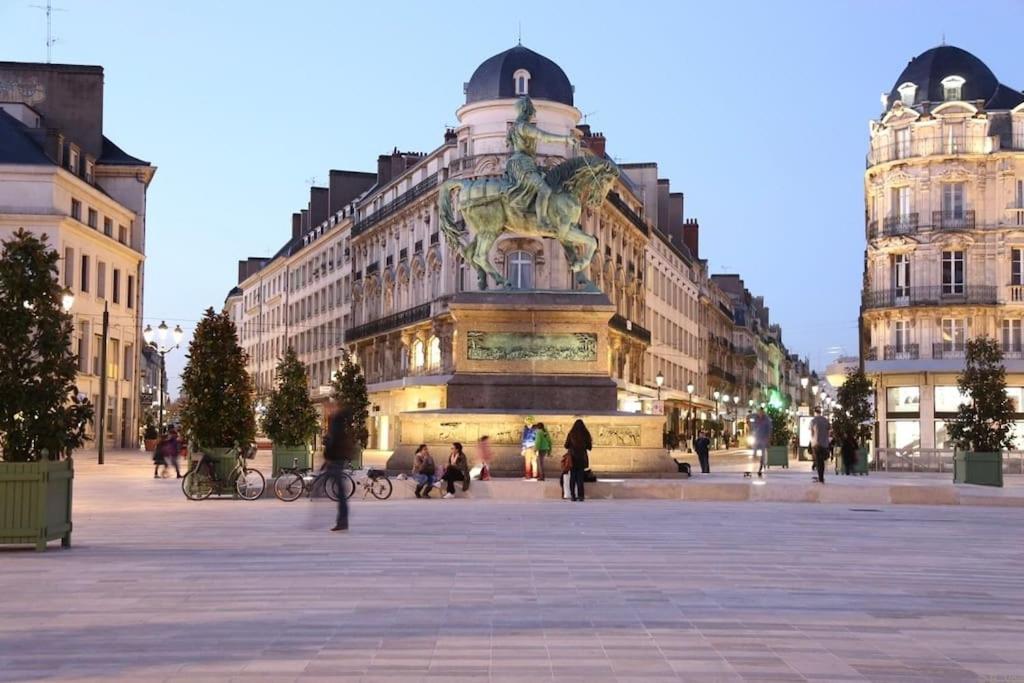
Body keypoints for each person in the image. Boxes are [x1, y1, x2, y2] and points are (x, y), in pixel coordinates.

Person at [505, 96, 580, 231]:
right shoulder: (524, 127)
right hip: (522, 164)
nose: (533, 114)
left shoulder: (514, 127)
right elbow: (544, 136)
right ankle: (542, 221)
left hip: (522, 163)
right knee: (544, 189)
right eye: (531, 111)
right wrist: (565, 139)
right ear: (527, 110)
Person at [323, 401, 355, 531]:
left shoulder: (337, 421)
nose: (327, 410)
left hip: (336, 459)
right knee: (340, 491)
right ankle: (342, 521)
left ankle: (342, 521)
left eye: (328, 408)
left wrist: (328, 456)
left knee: (340, 492)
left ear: (333, 407)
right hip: (337, 458)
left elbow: (334, 441)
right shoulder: (339, 420)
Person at [564, 418, 592, 502]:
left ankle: (573, 495)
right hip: (582, 458)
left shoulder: (571, 433)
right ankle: (581, 496)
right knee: (580, 478)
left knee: (572, 477)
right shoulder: (585, 433)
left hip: (572, 458)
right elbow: (589, 447)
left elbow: (566, 445)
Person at [809, 407, 831, 484]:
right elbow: (829, 430)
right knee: (822, 461)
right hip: (824, 443)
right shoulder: (825, 420)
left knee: (818, 461)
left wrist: (812, 441)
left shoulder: (813, 420)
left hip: (816, 443)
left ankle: (820, 478)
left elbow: (812, 432)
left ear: (815, 412)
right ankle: (821, 477)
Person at [753, 408, 773, 478]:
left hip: (764, 438)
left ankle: (761, 466)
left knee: (763, 453)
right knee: (755, 446)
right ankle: (755, 455)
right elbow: (754, 427)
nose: (760, 414)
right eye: (759, 412)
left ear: (763, 412)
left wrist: (768, 438)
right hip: (758, 437)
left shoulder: (766, 420)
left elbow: (769, 429)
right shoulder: (756, 418)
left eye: (761, 412)